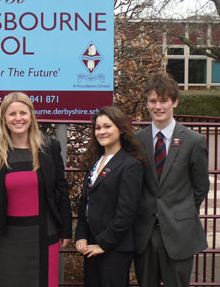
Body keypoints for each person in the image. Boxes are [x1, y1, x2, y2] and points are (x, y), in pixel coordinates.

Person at [0, 92, 72, 287]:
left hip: (45, 235)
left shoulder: (49, 147)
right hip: (8, 239)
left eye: (23, 112)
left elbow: (61, 190)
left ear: (31, 116)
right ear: (4, 119)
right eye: (12, 114)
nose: (18, 118)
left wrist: (66, 229)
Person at [134, 74, 210, 287]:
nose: (158, 106)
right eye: (153, 101)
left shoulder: (194, 141)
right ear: (147, 104)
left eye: (164, 100)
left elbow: (201, 186)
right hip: (145, 234)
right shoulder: (136, 140)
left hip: (180, 234)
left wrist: (181, 211)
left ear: (175, 102)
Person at [75, 106, 145, 287]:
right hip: (91, 245)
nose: (101, 132)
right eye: (98, 128)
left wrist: (104, 244)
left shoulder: (131, 165)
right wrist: (81, 235)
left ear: (121, 129)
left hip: (115, 248)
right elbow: (85, 202)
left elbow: (127, 211)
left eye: (107, 126)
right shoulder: (96, 161)